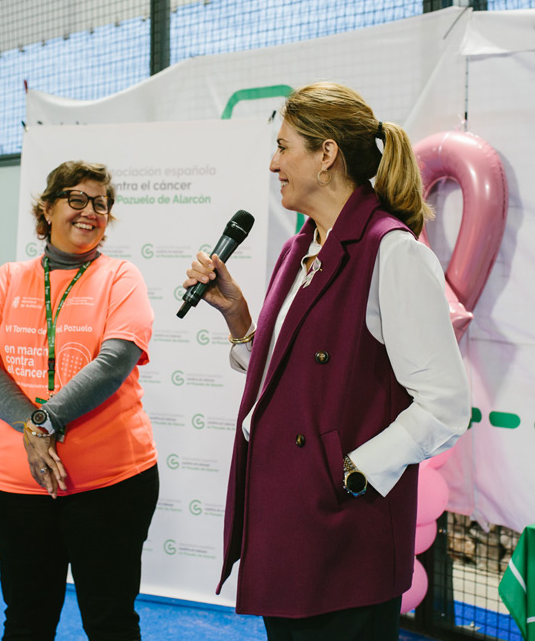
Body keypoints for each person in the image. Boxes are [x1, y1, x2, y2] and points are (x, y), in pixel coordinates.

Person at [183, 82, 471, 640]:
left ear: (327, 154)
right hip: (287, 517)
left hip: (343, 530)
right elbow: (293, 374)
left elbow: (445, 403)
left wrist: (353, 469)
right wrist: (240, 318)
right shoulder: (300, 250)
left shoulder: (393, 252)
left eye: (284, 147)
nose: (273, 163)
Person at [0, 160, 158, 639]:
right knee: (27, 619)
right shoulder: (8, 278)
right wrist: (34, 423)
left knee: (110, 620)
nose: (90, 211)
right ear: (47, 208)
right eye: (76, 199)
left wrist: (40, 423)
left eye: (101, 203)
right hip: (15, 488)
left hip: (110, 484)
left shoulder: (121, 276)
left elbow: (114, 362)